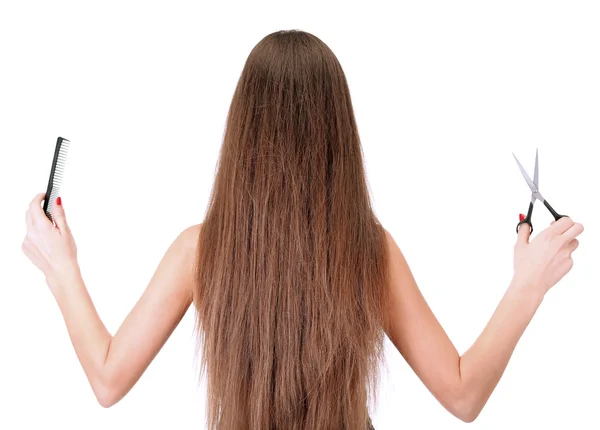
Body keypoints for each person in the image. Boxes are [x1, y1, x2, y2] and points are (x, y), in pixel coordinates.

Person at [22, 30, 584, 430]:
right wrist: (527, 284)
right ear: (339, 136)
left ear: (243, 133)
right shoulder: (370, 252)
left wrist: (62, 267)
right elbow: (463, 395)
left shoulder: (200, 251)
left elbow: (106, 380)